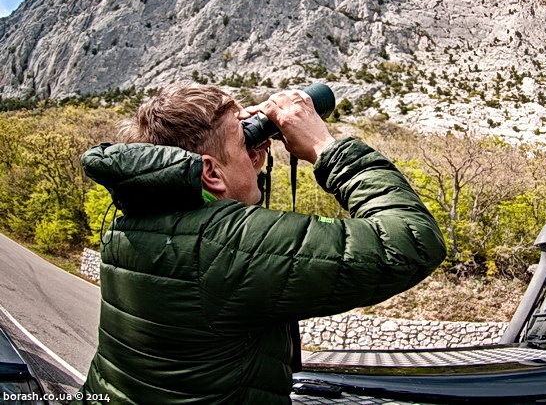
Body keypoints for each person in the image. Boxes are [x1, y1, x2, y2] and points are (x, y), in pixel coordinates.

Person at [76, 84, 446, 404]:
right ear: (208, 172)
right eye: (246, 143)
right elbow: (411, 240)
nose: (258, 153)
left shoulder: (134, 222)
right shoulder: (223, 247)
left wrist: (238, 153)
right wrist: (323, 145)